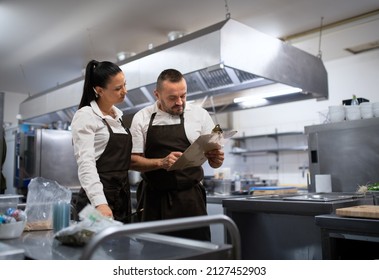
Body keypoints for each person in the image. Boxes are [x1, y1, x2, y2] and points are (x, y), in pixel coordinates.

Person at [129, 68, 225, 241]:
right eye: (172, 98)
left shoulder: (200, 115)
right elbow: (132, 161)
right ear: (157, 94)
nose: (180, 102)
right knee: (155, 256)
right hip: (154, 200)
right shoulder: (141, 118)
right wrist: (161, 163)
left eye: (183, 96)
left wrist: (217, 159)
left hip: (191, 200)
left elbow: (215, 162)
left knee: (198, 253)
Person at [71, 60, 132, 223]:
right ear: (99, 90)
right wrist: (100, 203)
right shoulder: (86, 116)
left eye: (125, 85)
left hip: (121, 199)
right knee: (96, 248)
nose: (124, 91)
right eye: (118, 88)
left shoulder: (118, 117)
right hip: (97, 202)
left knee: (122, 247)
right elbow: (86, 163)